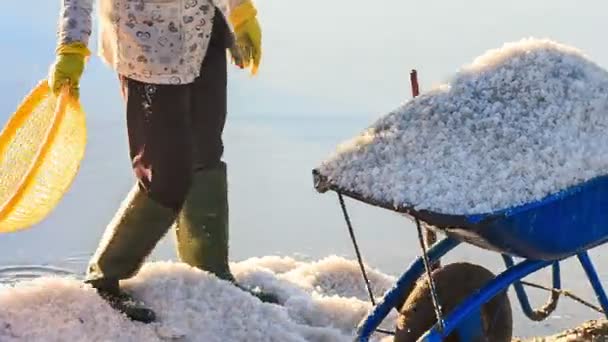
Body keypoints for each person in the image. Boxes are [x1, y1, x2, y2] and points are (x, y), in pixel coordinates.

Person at [49, 0, 277, 324]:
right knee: (166, 176)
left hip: (204, 28)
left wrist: (240, 13)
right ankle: (104, 277)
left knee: (206, 152)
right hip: (146, 46)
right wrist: (71, 48)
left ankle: (209, 272)